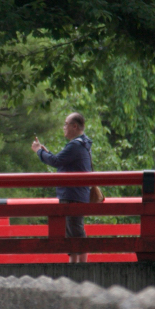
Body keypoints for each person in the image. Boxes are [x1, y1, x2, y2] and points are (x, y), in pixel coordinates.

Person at [31, 112, 93, 263]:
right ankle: (74, 264)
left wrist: (39, 151)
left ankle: (82, 266)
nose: (64, 127)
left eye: (66, 124)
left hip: (73, 194)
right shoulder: (83, 143)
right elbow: (61, 160)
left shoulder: (76, 145)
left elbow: (57, 161)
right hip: (76, 193)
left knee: (75, 229)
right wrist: (46, 153)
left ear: (74, 126)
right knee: (72, 230)